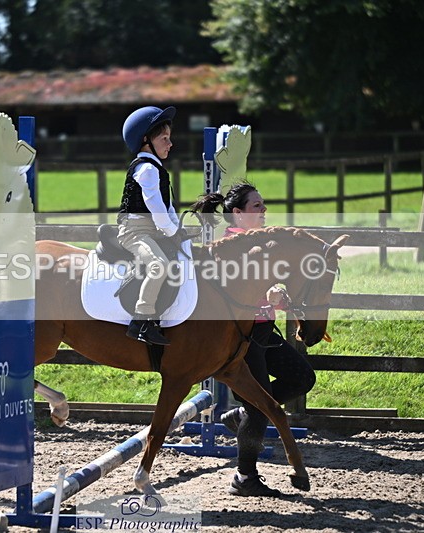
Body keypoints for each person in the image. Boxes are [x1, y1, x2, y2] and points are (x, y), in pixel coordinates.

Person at [191, 181, 317, 497]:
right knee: (261, 408)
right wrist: (269, 296)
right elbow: (236, 297)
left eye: (263, 205)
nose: (263, 211)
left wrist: (277, 293)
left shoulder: (259, 244)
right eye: (256, 206)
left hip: (262, 331)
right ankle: (245, 477)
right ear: (237, 213)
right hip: (241, 336)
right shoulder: (229, 247)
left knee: (302, 377)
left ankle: (243, 415)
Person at [118, 106, 188, 346]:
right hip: (134, 232)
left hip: (152, 231)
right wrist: (171, 231)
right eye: (164, 139)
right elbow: (156, 209)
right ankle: (142, 319)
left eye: (169, 138)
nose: (170, 144)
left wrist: (178, 230)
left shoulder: (157, 169)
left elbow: (167, 207)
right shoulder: (146, 169)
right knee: (158, 265)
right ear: (146, 140)